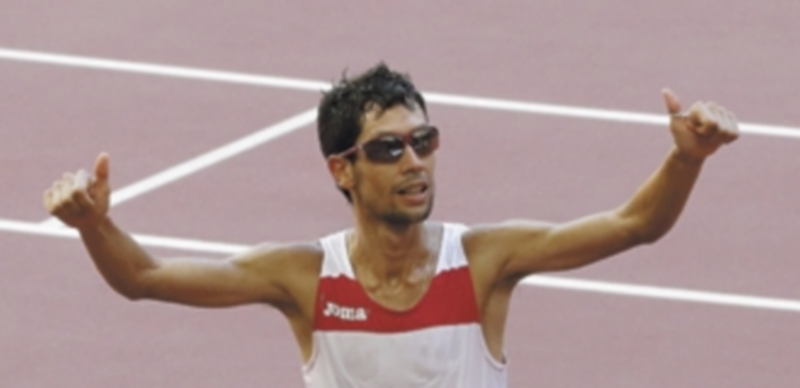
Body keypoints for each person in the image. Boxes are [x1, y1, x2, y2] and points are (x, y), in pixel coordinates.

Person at [43, 63, 739, 388]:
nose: (414, 162)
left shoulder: (485, 261)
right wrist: (94, 226)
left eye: (423, 141)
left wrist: (686, 159)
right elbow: (145, 278)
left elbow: (634, 225)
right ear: (342, 170)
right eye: (388, 148)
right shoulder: (306, 279)